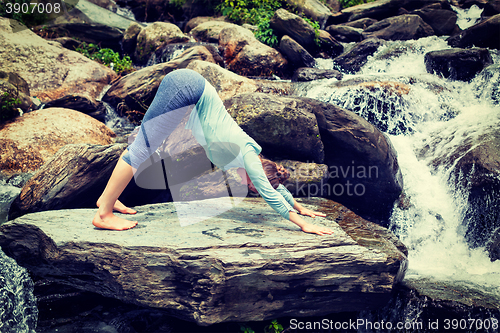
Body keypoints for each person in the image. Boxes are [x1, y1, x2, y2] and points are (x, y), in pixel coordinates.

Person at [92, 69, 333, 235]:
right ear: (256, 173)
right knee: (142, 148)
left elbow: (274, 188)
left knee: (146, 145)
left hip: (189, 89)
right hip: (188, 87)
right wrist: (302, 224)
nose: (249, 188)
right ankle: (104, 214)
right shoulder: (249, 156)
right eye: (252, 186)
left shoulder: (243, 163)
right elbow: (269, 192)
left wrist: (300, 207)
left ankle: (107, 199)